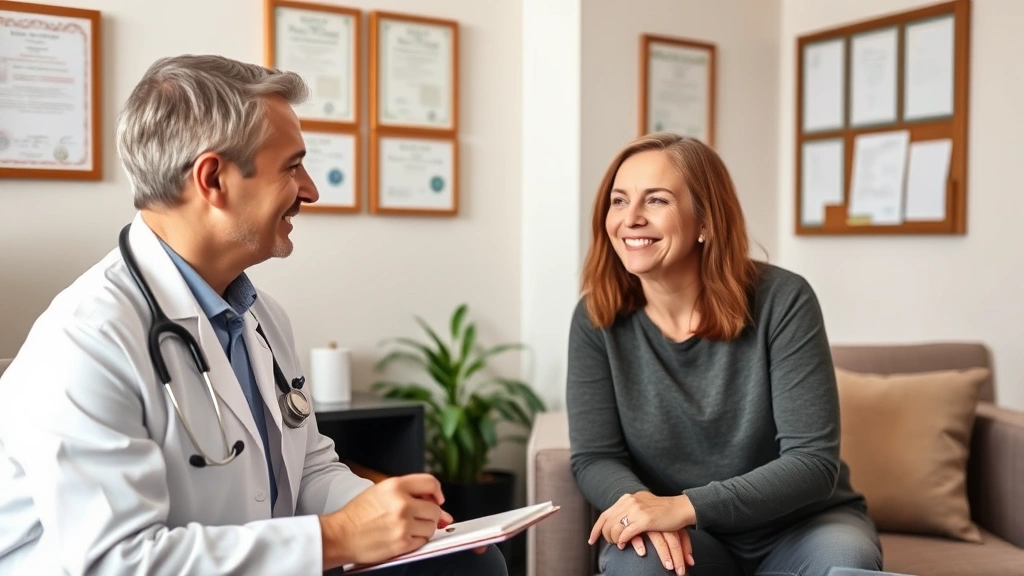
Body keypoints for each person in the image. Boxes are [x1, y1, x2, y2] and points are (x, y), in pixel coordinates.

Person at [0, 54, 506, 576]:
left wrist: (397, 518)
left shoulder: (259, 316)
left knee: (470, 563)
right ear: (213, 178)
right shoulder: (87, 339)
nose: (311, 189)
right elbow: (116, 562)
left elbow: (308, 470)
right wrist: (337, 537)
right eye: (292, 166)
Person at [566, 133, 882, 576]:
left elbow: (812, 462)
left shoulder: (783, 299)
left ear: (706, 221)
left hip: (801, 527)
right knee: (639, 565)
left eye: (655, 200)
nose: (631, 219)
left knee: (844, 562)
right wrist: (644, 512)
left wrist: (684, 505)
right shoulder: (596, 317)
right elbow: (595, 457)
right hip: (687, 536)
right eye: (619, 202)